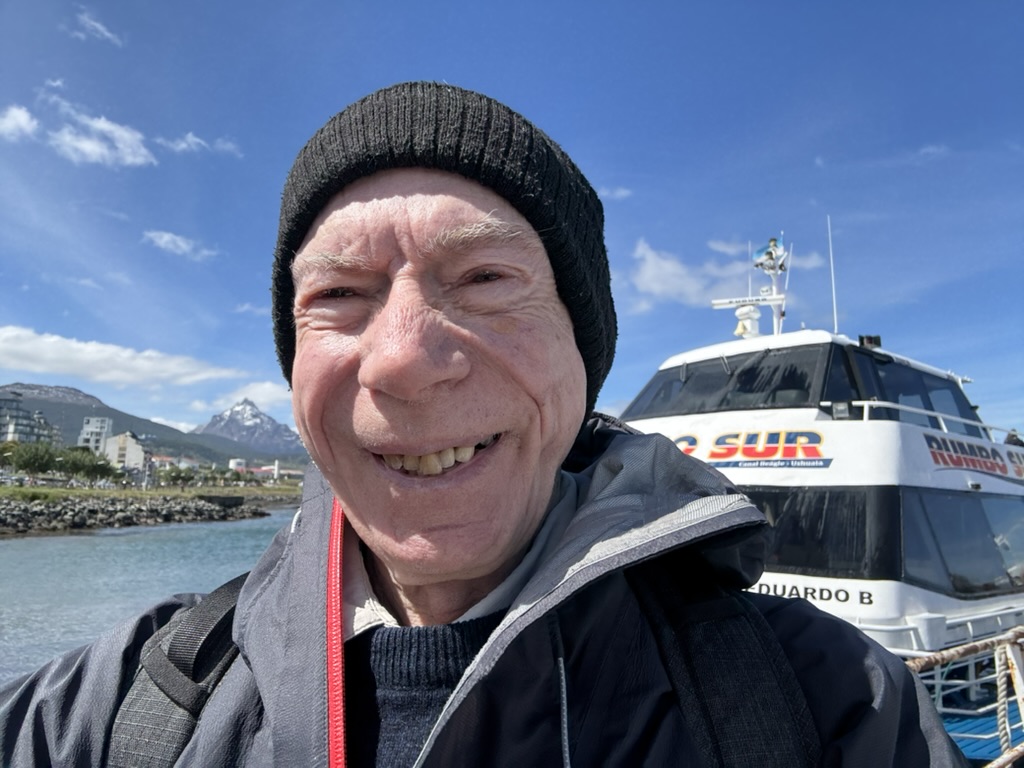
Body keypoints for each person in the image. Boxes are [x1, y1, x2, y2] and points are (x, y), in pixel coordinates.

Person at [0, 82, 967, 767]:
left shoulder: (832, 706)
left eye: (487, 279)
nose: (404, 360)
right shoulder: (135, 704)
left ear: (583, 357)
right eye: (338, 293)